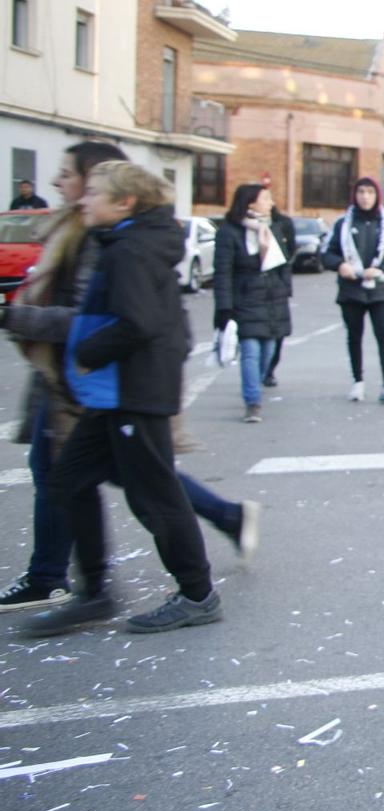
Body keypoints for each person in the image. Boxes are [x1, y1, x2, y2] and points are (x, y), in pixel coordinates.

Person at [0, 142, 258, 613]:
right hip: (115, 392)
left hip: (131, 389)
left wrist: (86, 352)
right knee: (68, 479)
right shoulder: (121, 242)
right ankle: (94, 590)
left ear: (125, 202)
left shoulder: (128, 251)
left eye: (92, 191)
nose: (81, 199)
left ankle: (196, 593)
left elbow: (138, 323)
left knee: (152, 496)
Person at [324, 177, 384, 403]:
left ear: (377, 196)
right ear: (355, 195)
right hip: (351, 290)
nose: (365, 197)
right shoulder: (343, 223)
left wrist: (382, 270)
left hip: (381, 290)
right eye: (361, 192)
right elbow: (326, 253)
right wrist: (339, 265)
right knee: (354, 336)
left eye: (370, 192)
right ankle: (357, 381)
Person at [213, 183, 292, 423]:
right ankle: (253, 402)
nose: (270, 203)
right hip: (245, 299)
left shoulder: (274, 227)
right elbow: (223, 272)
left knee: (268, 351)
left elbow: (285, 262)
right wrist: (224, 307)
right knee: (250, 351)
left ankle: (254, 386)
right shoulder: (230, 232)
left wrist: (284, 288)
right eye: (265, 198)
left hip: (273, 300)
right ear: (249, 203)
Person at [263, 199, 298, 388]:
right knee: (252, 339)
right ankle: (257, 374)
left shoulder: (282, 223)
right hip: (251, 289)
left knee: (277, 332)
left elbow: (291, 250)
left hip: (277, 284)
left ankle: (269, 370)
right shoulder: (238, 225)